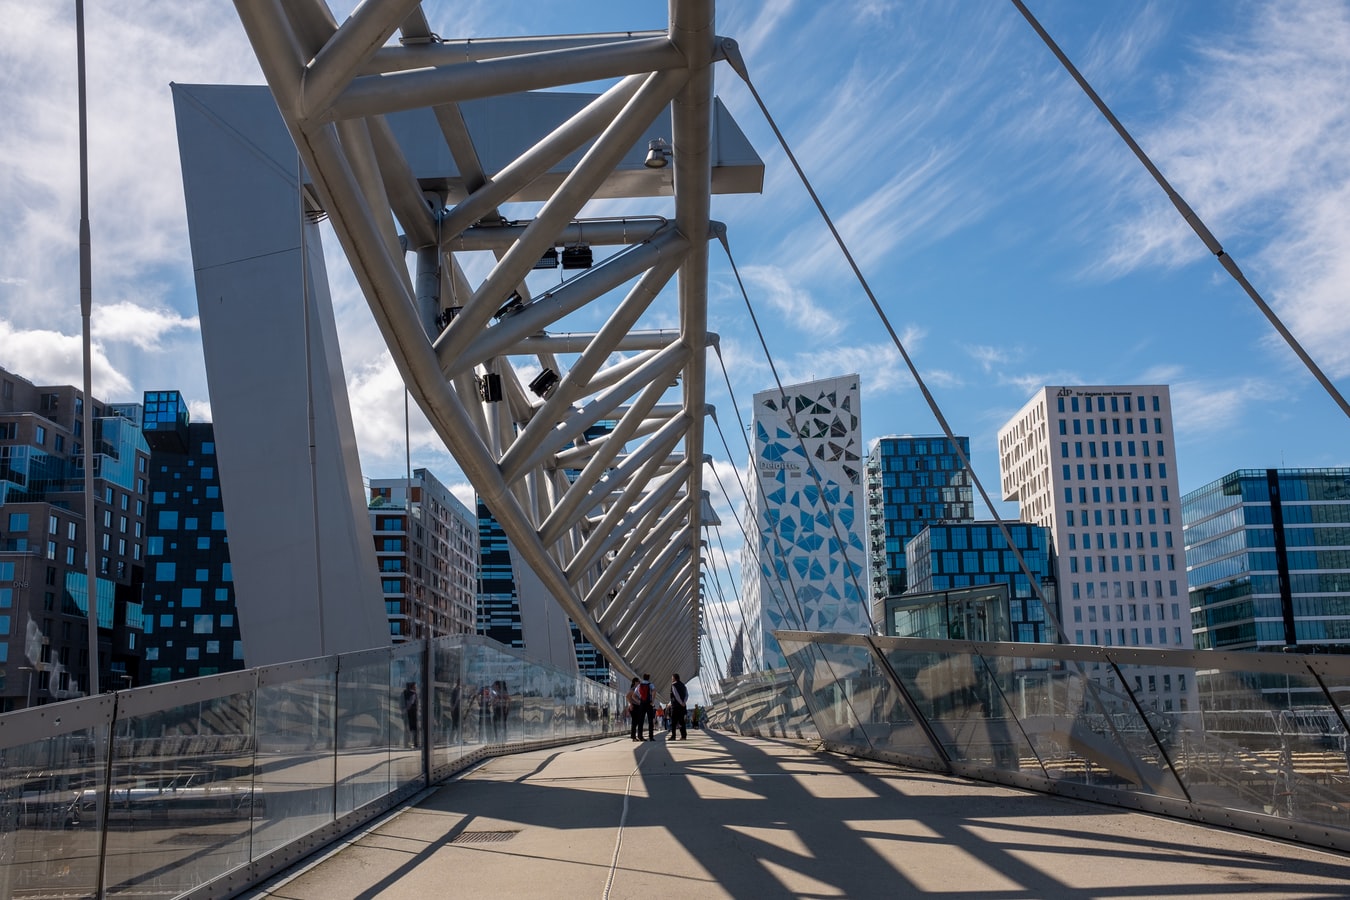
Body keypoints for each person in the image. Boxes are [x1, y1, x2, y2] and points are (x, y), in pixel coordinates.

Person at [669, 673, 689, 740]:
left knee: (673, 722)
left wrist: (680, 702)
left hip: (676, 706)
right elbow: (687, 695)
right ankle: (683, 736)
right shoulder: (683, 685)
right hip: (682, 706)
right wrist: (684, 702)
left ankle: (673, 736)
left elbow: (676, 695)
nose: (672, 679)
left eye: (672, 678)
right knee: (682, 721)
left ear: (674, 678)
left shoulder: (673, 685)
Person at [637, 673, 656, 741]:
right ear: (648, 678)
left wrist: (639, 701)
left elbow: (635, 694)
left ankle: (640, 736)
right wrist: (652, 701)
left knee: (641, 720)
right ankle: (651, 737)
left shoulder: (639, 685)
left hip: (642, 703)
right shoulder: (650, 684)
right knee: (650, 720)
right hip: (649, 703)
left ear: (643, 677)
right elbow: (654, 691)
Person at [402, 681, 419, 748]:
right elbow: (410, 703)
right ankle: (415, 743)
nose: (416, 687)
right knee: (414, 729)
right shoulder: (413, 694)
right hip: (412, 713)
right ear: (412, 687)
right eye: (415, 686)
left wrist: (404, 710)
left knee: (407, 728)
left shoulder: (404, 693)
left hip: (406, 714)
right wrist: (406, 709)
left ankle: (406, 743)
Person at [626, 677, 642, 741]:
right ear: (635, 682)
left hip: (637, 706)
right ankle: (633, 737)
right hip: (634, 706)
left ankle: (635, 736)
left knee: (637, 721)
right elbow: (627, 696)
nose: (639, 683)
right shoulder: (633, 689)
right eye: (638, 682)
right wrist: (631, 704)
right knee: (635, 722)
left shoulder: (637, 689)